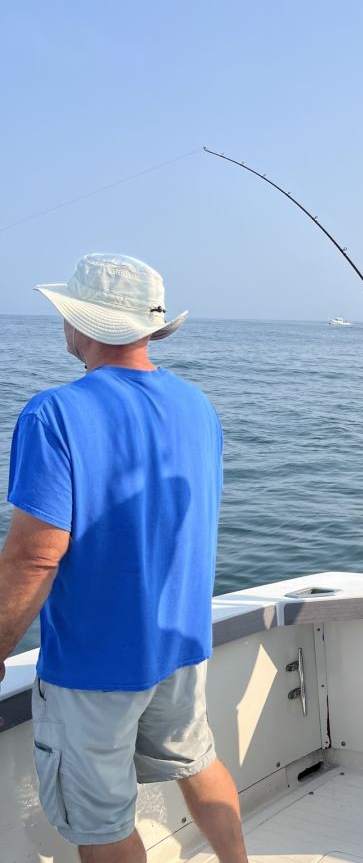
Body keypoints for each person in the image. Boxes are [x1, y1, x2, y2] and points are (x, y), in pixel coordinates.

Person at [0, 254, 248, 863]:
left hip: (92, 664)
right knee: (198, 759)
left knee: (100, 822)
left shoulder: (52, 413)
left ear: (84, 324)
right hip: (181, 647)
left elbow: (35, 558)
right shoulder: (199, 407)